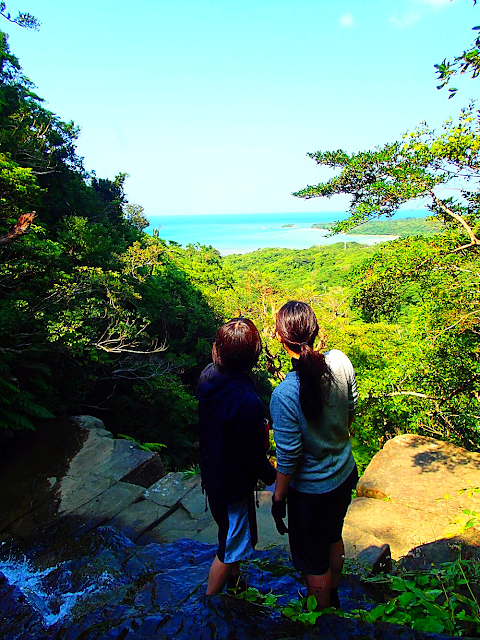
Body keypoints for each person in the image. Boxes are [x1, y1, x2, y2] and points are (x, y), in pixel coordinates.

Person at [270, 301, 358, 610]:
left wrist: (278, 498)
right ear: (316, 328)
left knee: (314, 561)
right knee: (334, 536)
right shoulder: (340, 361)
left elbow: (289, 456)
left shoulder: (284, 395)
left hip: (311, 493)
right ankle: (334, 599)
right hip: (345, 472)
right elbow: (351, 410)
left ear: (282, 340)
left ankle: (322, 620)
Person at [196, 317, 277, 595]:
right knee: (228, 548)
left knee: (229, 534)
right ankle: (209, 606)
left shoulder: (209, 376)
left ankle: (237, 586)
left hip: (213, 473)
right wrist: (274, 479)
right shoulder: (245, 400)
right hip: (232, 486)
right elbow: (253, 455)